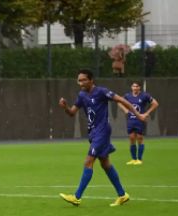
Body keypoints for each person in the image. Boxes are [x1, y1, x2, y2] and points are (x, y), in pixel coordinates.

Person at [57, 69, 137, 207]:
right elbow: (71, 113)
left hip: (102, 131)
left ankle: (76, 197)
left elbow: (121, 99)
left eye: (83, 80)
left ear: (91, 80)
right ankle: (122, 195)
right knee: (105, 164)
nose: (80, 82)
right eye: (79, 80)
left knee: (88, 161)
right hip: (93, 133)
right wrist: (65, 107)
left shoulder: (101, 91)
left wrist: (137, 114)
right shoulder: (82, 95)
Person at [119, 81, 159, 165]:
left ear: (139, 87)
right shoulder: (127, 96)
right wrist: (125, 110)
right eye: (133, 86)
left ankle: (139, 159)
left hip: (140, 120)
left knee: (140, 138)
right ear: (131, 87)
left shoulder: (145, 95)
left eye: (137, 86)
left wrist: (146, 113)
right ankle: (133, 159)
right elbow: (119, 101)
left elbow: (155, 104)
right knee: (131, 138)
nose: (135, 88)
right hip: (131, 120)